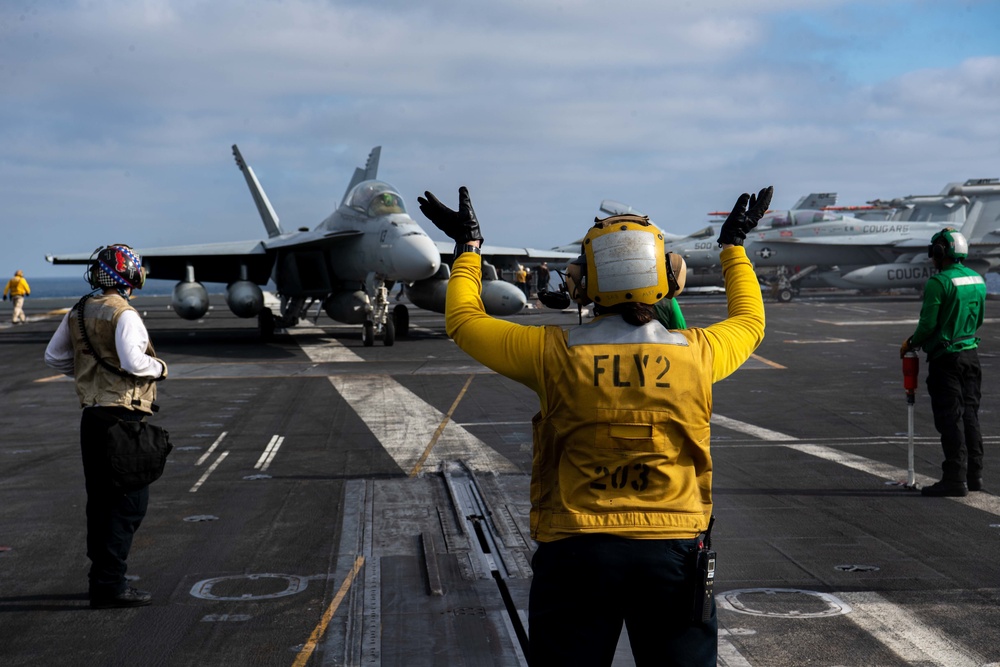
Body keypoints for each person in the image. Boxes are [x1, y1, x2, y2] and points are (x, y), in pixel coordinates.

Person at [418, 185, 770, 666]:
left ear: (581, 283)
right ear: (671, 277)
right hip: (673, 548)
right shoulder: (701, 354)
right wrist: (734, 248)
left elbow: (463, 321)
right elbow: (751, 319)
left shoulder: (551, 354)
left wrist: (468, 250)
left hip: (576, 550)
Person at [44, 244, 168, 609]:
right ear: (130, 274)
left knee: (100, 502)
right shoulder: (124, 314)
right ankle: (111, 586)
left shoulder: (80, 309)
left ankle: (103, 579)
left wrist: (87, 372)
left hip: (92, 418)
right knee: (128, 503)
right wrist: (160, 368)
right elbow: (133, 360)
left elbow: (53, 357)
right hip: (123, 419)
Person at [901, 228, 986, 497]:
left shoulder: (938, 283)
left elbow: (927, 326)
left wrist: (911, 343)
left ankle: (954, 478)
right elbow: (979, 318)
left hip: (946, 358)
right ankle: (975, 476)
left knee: (951, 418)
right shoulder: (977, 279)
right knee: (970, 416)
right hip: (971, 354)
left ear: (940, 253)